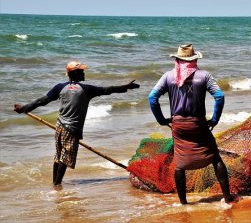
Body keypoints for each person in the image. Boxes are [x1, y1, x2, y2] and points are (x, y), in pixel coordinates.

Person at [14, 60, 140, 188]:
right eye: (82, 71)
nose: (84, 73)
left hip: (60, 127)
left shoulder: (59, 87)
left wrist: (25, 108)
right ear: (75, 73)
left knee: (58, 156)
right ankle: (57, 185)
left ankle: (55, 183)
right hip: (72, 129)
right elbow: (108, 90)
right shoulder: (86, 89)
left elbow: (42, 101)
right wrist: (126, 87)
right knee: (65, 157)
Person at [148, 44, 235, 204]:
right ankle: (227, 196)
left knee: (180, 164)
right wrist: (215, 119)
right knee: (215, 158)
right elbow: (220, 96)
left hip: (178, 125)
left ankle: (183, 203)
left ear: (177, 59)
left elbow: (152, 98)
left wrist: (161, 120)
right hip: (198, 124)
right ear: (194, 59)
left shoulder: (168, 76)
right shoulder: (204, 76)